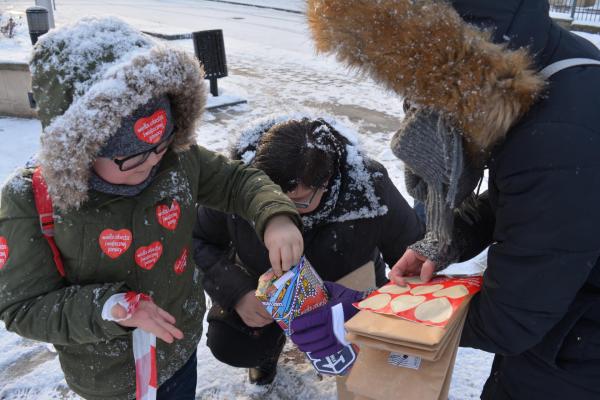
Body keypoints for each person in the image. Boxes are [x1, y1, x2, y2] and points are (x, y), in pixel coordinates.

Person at [292, 1, 600, 399]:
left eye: (414, 76)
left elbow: (511, 319)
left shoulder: (559, 133)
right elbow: (531, 202)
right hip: (568, 321)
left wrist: (379, 312)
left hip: (577, 355)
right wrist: (447, 240)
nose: (412, 96)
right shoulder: (555, 62)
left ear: (447, 54)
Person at [0, 18, 303, 400]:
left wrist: (275, 216)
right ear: (82, 149)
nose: (151, 163)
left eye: (160, 147)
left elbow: (236, 181)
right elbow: (22, 306)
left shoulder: (177, 158)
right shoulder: (30, 200)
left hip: (177, 348)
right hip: (109, 376)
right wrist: (109, 307)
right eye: (131, 157)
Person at [192, 116, 423, 385]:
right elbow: (198, 240)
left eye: (297, 202)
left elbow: (412, 255)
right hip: (265, 294)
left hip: (345, 296)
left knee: (371, 369)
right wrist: (237, 292)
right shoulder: (237, 184)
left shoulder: (368, 185)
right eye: (269, 199)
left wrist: (379, 305)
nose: (282, 211)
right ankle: (267, 354)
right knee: (232, 344)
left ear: (326, 182)